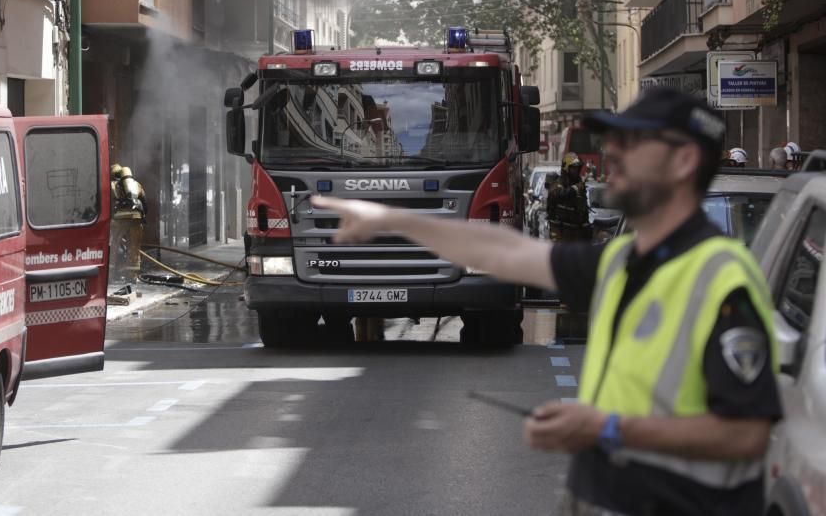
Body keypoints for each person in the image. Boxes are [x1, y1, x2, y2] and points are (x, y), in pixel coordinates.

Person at [312, 87, 781, 516]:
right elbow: (506, 250)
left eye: (632, 142)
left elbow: (745, 434)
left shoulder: (721, 282)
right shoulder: (622, 258)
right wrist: (393, 219)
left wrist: (607, 428)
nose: (610, 152)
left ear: (682, 162)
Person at [545, 153, 591, 242]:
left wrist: (586, 227)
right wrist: (576, 188)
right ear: (566, 168)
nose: (576, 171)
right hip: (560, 232)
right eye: (573, 168)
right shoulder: (558, 183)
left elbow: (583, 208)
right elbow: (560, 194)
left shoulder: (579, 184)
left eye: (577, 168)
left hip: (576, 233)